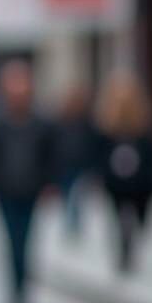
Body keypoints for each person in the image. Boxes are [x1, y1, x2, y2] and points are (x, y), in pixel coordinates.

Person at [0, 58, 56, 303]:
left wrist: (50, 185)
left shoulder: (42, 122)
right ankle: (15, 292)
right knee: (10, 242)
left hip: (30, 191)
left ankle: (23, 288)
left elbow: (51, 157)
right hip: (5, 191)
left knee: (25, 242)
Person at [93, 68, 152, 275]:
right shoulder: (107, 122)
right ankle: (125, 250)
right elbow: (99, 152)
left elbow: (151, 151)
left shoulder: (142, 121)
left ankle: (130, 244)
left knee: (140, 218)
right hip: (117, 183)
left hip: (141, 182)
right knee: (120, 218)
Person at [52, 82, 100, 236]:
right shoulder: (60, 122)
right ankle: (71, 222)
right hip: (64, 167)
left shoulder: (88, 122)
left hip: (81, 167)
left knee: (77, 196)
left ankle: (75, 222)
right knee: (68, 196)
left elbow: (93, 145)